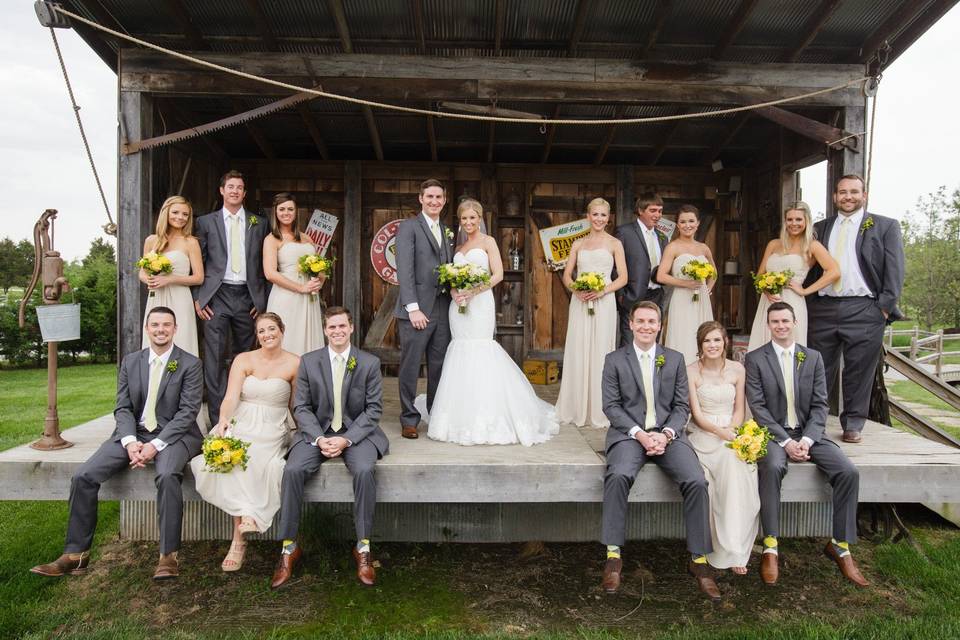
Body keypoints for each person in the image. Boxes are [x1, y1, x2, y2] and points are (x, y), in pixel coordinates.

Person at [30, 307, 202, 581]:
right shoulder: (131, 362)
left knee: (168, 475)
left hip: (175, 436)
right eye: (155, 324)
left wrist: (155, 445)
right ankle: (76, 555)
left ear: (175, 329)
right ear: (147, 329)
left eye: (166, 325)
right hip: (133, 434)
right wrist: (131, 441)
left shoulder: (190, 363)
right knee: (84, 476)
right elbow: (122, 407)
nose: (161, 329)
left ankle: (168, 555)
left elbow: (187, 412)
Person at [600, 301, 719, 601]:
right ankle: (613, 555)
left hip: (668, 435)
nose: (646, 326)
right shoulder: (615, 360)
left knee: (696, 480)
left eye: (652, 321)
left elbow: (681, 406)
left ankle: (699, 560)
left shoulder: (674, 359)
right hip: (630, 435)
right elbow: (611, 406)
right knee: (618, 475)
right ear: (630, 324)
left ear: (660, 325)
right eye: (640, 321)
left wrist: (666, 434)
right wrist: (640, 434)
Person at [415, 198, 559, 446]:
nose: (468, 222)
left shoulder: (488, 242)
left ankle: (488, 413)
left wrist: (474, 291)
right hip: (458, 305)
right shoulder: (457, 248)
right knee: (459, 348)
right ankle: (458, 414)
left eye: (473, 218)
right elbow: (449, 279)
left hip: (480, 304)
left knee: (481, 347)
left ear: (480, 218)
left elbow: (498, 274)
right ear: (459, 221)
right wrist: (455, 293)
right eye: (464, 219)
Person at [744, 302, 867, 587]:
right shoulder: (755, 359)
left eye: (785, 321)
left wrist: (808, 440)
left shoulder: (812, 357)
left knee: (848, 471)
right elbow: (759, 408)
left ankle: (840, 544)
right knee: (772, 466)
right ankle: (771, 545)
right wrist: (787, 442)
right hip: (774, 433)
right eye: (775, 322)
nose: (781, 326)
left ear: (795, 322)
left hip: (809, 432)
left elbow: (820, 404)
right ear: (768, 325)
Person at [271, 307, 388, 588]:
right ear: (325, 331)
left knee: (363, 470)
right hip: (318, 433)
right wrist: (320, 438)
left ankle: (363, 547)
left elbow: (373, 410)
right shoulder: (310, 362)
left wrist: (347, 439)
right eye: (331, 327)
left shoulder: (369, 363)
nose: (337, 332)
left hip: (355, 434)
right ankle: (288, 547)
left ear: (351, 328)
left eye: (342, 326)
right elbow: (301, 406)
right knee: (293, 469)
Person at [189, 312, 299, 572]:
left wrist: (304, 431)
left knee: (259, 454)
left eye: (272, 329)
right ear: (257, 335)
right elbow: (230, 396)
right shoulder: (244, 359)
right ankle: (244, 523)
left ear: (282, 331)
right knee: (232, 453)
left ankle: (238, 540)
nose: (267, 334)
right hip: (242, 418)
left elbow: (297, 404)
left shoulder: (296, 363)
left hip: (272, 424)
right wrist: (224, 419)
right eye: (261, 331)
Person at [804, 174, 905, 443]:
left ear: (864, 194)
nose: (848, 196)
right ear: (835, 196)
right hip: (822, 307)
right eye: (842, 192)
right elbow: (806, 266)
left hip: (865, 308)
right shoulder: (819, 228)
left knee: (859, 369)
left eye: (853, 191)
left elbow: (895, 271)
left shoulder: (885, 226)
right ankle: (816, 422)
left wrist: (883, 308)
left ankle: (853, 423)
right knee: (817, 368)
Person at [193, 170, 272, 425]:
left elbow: (265, 265)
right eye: (230, 187)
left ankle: (242, 417)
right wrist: (199, 298)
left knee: (245, 357)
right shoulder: (206, 222)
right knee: (214, 358)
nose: (235, 191)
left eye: (239, 187)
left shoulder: (259, 223)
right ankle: (219, 421)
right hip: (217, 295)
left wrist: (261, 300)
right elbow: (198, 262)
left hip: (248, 298)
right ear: (222, 190)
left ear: (244, 193)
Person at [686, 321, 757, 574]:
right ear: (700, 345)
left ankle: (735, 548)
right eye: (707, 341)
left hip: (732, 431)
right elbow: (695, 414)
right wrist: (718, 432)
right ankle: (716, 546)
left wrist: (733, 432)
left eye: (717, 340)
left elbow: (739, 409)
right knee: (710, 481)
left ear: (725, 342)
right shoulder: (692, 371)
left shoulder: (737, 369)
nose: (713, 345)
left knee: (735, 469)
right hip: (704, 433)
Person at [556, 198, 628, 428]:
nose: (598, 219)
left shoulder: (615, 243)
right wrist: (576, 289)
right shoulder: (578, 244)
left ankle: (599, 408)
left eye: (603, 215)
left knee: (600, 350)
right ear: (588, 216)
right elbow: (567, 275)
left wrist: (602, 291)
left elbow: (623, 278)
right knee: (579, 349)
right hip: (579, 302)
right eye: (594, 214)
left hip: (604, 302)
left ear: (609, 218)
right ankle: (575, 406)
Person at [393, 178, 455, 439]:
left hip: (443, 307)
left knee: (439, 365)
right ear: (420, 199)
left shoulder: (448, 231)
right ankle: (409, 418)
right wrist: (413, 308)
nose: (434, 201)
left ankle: (435, 413)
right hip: (417, 309)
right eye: (429, 197)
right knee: (410, 365)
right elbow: (404, 269)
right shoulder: (409, 227)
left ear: (444, 200)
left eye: (438, 197)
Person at [747, 202, 839, 351]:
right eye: (790, 220)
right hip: (768, 302)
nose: (793, 223)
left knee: (790, 348)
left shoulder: (812, 246)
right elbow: (758, 277)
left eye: (798, 219)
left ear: (807, 221)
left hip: (793, 301)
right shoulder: (774, 244)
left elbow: (834, 271)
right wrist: (767, 291)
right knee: (763, 346)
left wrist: (805, 290)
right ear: (785, 221)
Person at [139, 195, 203, 356]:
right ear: (165, 213)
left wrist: (170, 279)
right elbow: (142, 271)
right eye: (175, 212)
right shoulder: (151, 241)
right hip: (156, 296)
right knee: (155, 338)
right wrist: (148, 279)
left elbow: (198, 277)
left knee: (181, 339)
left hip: (180, 298)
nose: (180, 217)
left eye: (185, 214)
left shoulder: (190, 242)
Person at [264, 192, 325, 355]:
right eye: (282, 209)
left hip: (309, 297)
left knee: (308, 338)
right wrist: (300, 288)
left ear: (296, 212)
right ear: (275, 212)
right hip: (286, 295)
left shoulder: (307, 238)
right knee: (289, 336)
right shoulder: (272, 239)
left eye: (290, 209)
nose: (286, 213)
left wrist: (319, 281)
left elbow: (320, 268)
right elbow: (270, 273)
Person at [659, 204, 716, 365]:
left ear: (698, 223)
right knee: (683, 333)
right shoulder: (673, 247)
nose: (687, 225)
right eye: (683, 222)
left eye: (691, 221)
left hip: (701, 300)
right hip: (681, 299)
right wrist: (685, 283)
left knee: (703, 332)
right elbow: (661, 275)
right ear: (677, 224)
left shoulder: (703, 248)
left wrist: (707, 288)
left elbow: (714, 273)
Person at [615, 192, 668, 347]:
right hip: (632, 295)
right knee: (628, 343)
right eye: (653, 210)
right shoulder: (624, 232)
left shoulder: (662, 236)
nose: (657, 215)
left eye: (660, 211)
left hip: (656, 296)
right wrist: (621, 295)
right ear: (640, 210)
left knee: (652, 343)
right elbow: (614, 266)